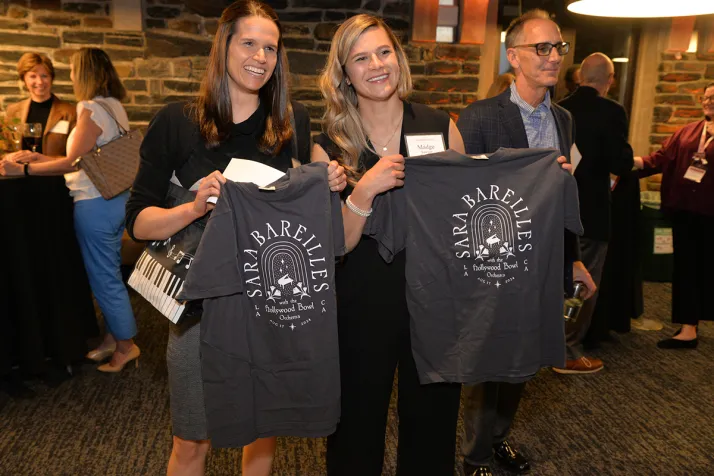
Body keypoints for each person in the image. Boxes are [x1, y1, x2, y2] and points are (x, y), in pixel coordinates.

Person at [124, 2, 345, 475]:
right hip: (199, 309)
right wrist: (192, 205)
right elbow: (137, 223)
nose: (260, 57)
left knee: (262, 435)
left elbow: (305, 205)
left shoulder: (292, 122)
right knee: (191, 440)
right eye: (249, 43)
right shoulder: (177, 121)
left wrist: (329, 182)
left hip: (270, 305)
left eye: (271, 47)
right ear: (224, 44)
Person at [312, 14, 465, 476]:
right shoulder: (328, 146)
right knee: (355, 433)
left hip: (433, 304)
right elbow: (331, 246)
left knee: (433, 431)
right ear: (344, 74)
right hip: (360, 305)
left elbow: (466, 220)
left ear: (398, 58)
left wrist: (539, 181)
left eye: (383, 52)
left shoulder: (442, 126)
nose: (376, 65)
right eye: (360, 58)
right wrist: (363, 191)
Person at [456, 10, 596, 476]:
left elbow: (561, 197)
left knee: (524, 358)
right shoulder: (480, 117)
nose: (554, 56)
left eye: (558, 48)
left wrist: (573, 261)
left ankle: (499, 440)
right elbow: (462, 199)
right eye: (542, 48)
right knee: (487, 358)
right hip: (493, 261)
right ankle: (474, 456)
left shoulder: (565, 120)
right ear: (513, 56)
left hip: (544, 261)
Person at [0, 48, 138, 373]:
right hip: (117, 198)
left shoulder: (88, 107)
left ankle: (126, 347)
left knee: (104, 279)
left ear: (85, 73)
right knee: (108, 273)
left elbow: (71, 161)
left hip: (95, 203)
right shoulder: (113, 105)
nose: (71, 76)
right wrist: (36, 158)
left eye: (74, 70)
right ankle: (112, 338)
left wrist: (26, 170)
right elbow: (88, 157)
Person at [0, 53, 96, 396]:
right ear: (23, 80)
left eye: (44, 76)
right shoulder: (12, 112)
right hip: (20, 200)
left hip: (56, 196)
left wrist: (37, 162)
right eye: (32, 77)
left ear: (52, 78)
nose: (39, 82)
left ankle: (68, 338)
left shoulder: (71, 111)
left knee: (58, 264)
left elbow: (76, 160)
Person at [556, 53, 634, 373]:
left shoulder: (557, 108)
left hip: (553, 208)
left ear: (580, 77)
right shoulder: (611, 111)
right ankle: (568, 349)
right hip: (591, 212)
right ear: (610, 79)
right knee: (580, 284)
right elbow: (621, 163)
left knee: (550, 278)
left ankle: (542, 341)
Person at [633, 82, 714, 349]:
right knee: (687, 269)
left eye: (713, 98)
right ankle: (688, 328)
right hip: (685, 212)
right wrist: (628, 162)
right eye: (706, 97)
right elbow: (660, 158)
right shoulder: (688, 133)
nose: (708, 102)